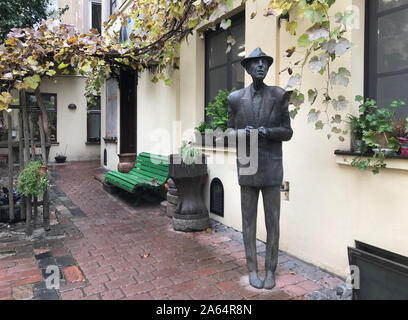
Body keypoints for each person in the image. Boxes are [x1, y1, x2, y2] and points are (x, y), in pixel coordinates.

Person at [227, 48, 293, 289]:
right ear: (247, 68)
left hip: (272, 168)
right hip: (247, 167)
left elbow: (288, 132)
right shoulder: (235, 98)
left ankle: (271, 270)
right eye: (256, 63)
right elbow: (227, 132)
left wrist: (268, 132)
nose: (261, 66)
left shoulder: (279, 95)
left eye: (264, 62)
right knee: (248, 222)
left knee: (272, 222)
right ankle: (252, 269)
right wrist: (240, 133)